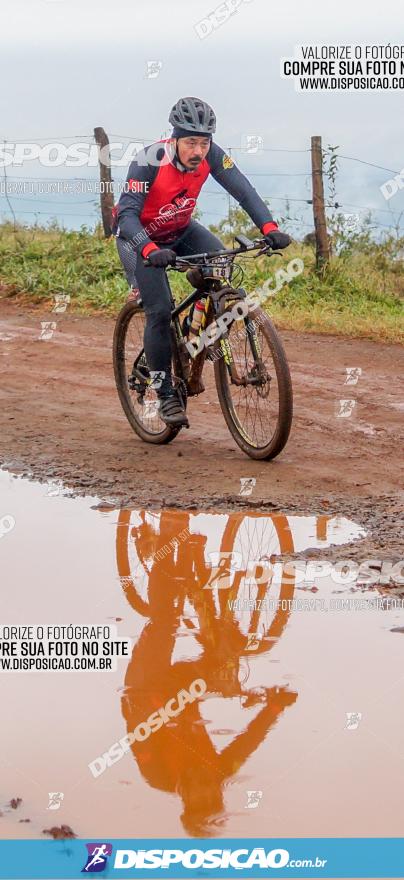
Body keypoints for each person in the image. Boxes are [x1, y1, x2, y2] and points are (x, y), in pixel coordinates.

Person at [113, 96, 291, 427]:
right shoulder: (148, 159)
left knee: (220, 267)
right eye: (191, 142)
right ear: (175, 139)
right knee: (159, 308)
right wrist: (149, 251)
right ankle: (165, 395)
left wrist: (270, 228)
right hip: (139, 239)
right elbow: (126, 215)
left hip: (180, 230)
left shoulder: (213, 156)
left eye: (204, 142)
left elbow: (244, 191)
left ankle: (190, 337)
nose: (198, 151)